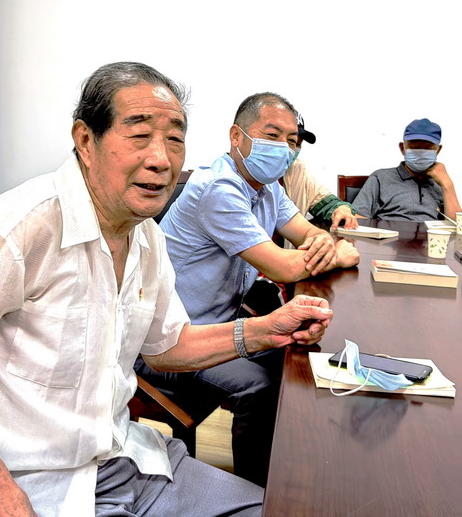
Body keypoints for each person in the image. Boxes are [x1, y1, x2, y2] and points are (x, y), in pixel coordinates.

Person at [0, 63, 335, 517]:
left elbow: (166, 346)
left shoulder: (146, 235)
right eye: (139, 135)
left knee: (286, 510)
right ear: (85, 140)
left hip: (129, 461)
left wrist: (266, 329)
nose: (161, 159)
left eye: (175, 139)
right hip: (32, 487)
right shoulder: (13, 230)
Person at [136, 92, 359, 486]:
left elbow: (308, 235)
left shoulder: (268, 188)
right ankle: (256, 492)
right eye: (272, 135)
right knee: (261, 386)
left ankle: (300, 468)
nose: (284, 148)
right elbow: (284, 265)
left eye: (291, 140)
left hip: (217, 323)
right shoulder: (218, 188)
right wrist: (334, 252)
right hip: (169, 340)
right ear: (237, 137)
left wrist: (326, 244)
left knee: (300, 358)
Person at [351, 118, 462, 221]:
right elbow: (356, 218)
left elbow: (459, 226)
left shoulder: (441, 183)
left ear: (438, 150)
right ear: (402, 148)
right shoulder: (380, 177)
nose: (421, 152)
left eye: (427, 148)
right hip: (392, 235)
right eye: (415, 148)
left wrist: (447, 185)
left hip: (429, 236)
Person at [280, 117, 358, 245]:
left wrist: (341, 209)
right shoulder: (248, 179)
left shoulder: (297, 170)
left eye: (297, 143)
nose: (291, 149)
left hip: (291, 255)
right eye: (289, 140)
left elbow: (325, 202)